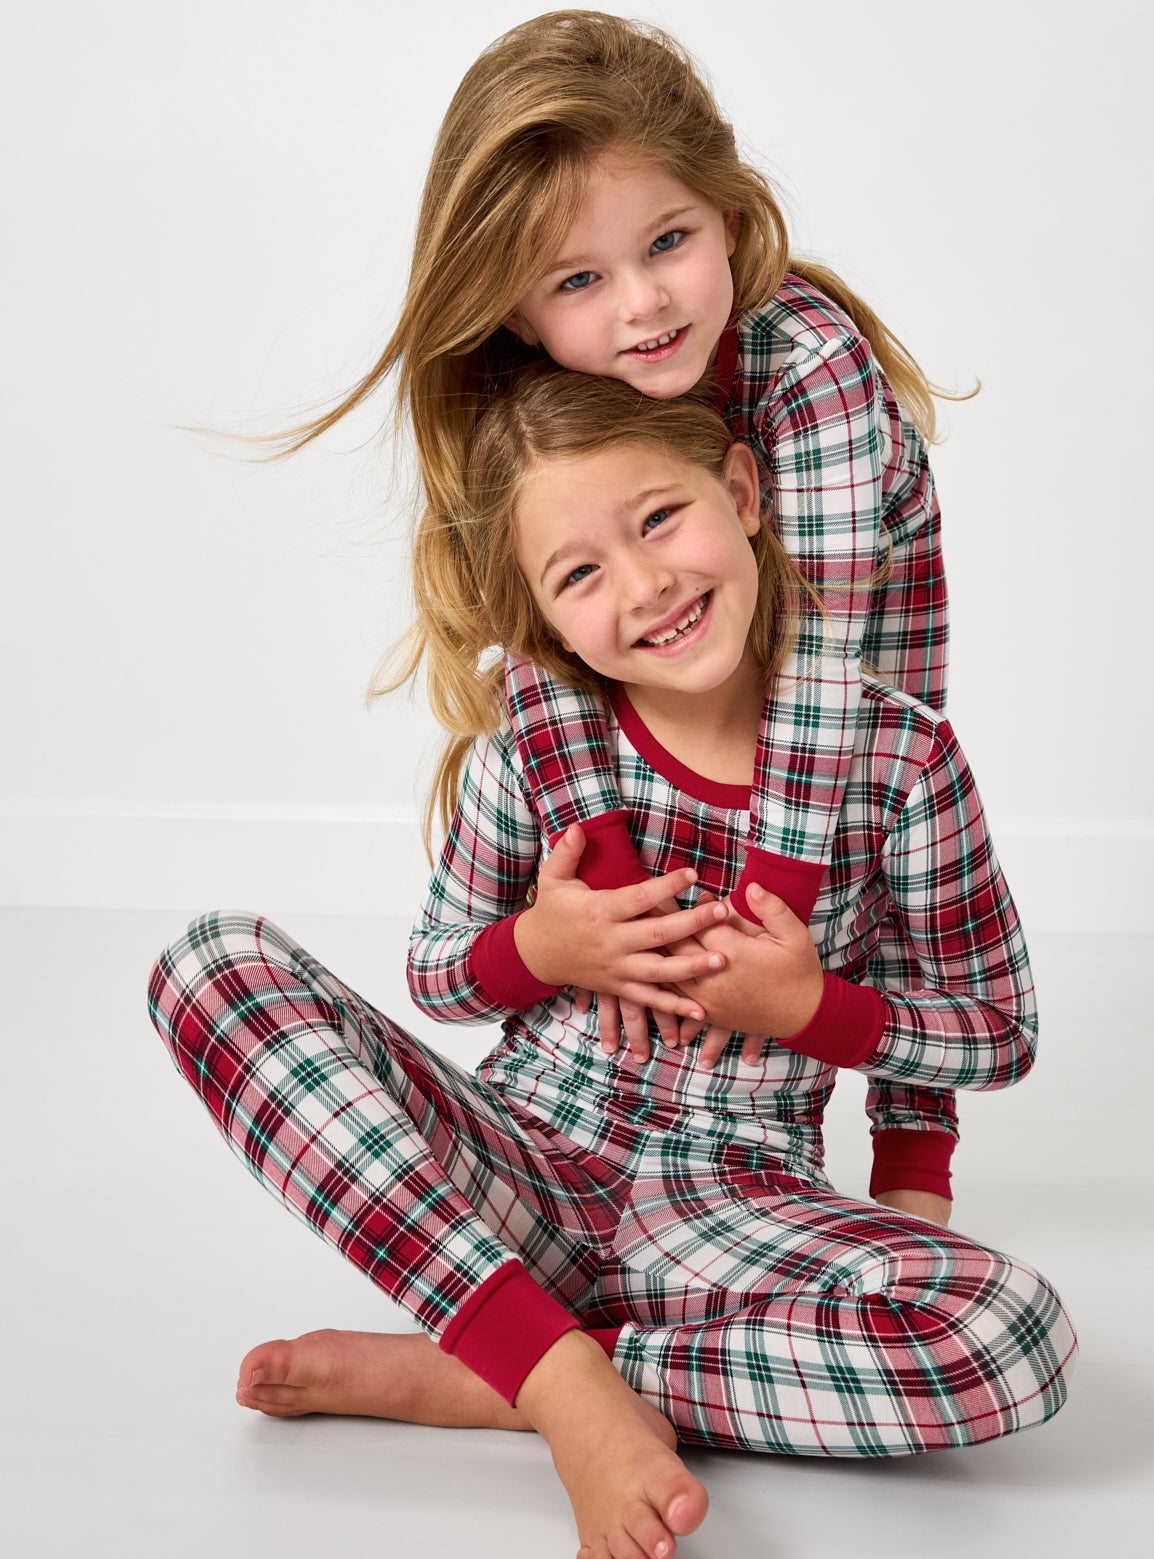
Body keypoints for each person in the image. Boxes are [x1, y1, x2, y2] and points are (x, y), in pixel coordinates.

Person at [149, 368, 1076, 1559]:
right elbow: (437, 971)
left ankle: (505, 1370)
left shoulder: (894, 756)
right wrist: (542, 949)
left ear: (739, 491)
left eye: (658, 519)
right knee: (207, 963)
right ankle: (558, 1379)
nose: (643, 586)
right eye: (579, 572)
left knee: (1010, 1339)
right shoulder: (529, 753)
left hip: (725, 1192)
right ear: (544, 617)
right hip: (526, 1154)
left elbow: (994, 1032)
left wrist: (814, 1014)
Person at [257, 11, 962, 1199]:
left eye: (668, 242)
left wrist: (752, 940)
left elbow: (832, 674)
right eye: (579, 279)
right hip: (665, 704)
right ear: (517, 314)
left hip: (842, 657)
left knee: (888, 846)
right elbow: (544, 664)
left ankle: (912, 1148)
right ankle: (562, 1256)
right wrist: (622, 910)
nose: (641, 306)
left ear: (727, 213)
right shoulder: (535, 402)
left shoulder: (809, 367)